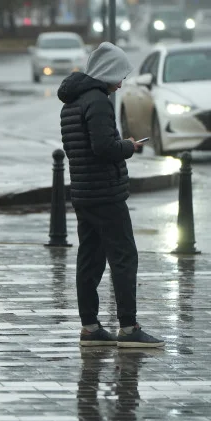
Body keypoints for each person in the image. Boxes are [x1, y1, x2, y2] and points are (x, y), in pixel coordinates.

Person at [57, 42, 163, 348]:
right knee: (124, 257)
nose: (122, 81)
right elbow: (104, 148)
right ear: (107, 72)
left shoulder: (72, 103)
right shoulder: (98, 102)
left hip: (83, 193)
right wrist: (129, 145)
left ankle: (90, 327)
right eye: (119, 74)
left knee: (89, 259)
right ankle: (129, 328)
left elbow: (78, 148)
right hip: (105, 193)